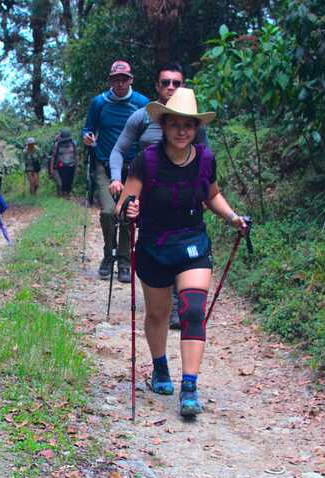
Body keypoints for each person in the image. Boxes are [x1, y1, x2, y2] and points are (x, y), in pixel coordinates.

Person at [115, 88, 248, 417]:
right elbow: (124, 204)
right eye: (175, 125)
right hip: (153, 245)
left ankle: (190, 386)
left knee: (191, 311)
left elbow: (212, 195)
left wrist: (233, 217)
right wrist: (128, 210)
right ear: (164, 125)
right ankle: (161, 368)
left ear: (196, 128)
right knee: (158, 314)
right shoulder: (145, 161)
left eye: (188, 126)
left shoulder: (205, 159)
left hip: (192, 242)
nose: (182, 131)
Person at [109, 62, 210, 329]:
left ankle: (178, 302)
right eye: (165, 82)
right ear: (156, 86)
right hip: (146, 190)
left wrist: (202, 192)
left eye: (176, 83)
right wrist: (117, 179)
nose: (170, 88)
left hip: (182, 194)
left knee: (182, 240)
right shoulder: (140, 118)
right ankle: (159, 293)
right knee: (154, 241)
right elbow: (119, 150)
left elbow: (204, 160)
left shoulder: (194, 125)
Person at [83, 60, 150, 283]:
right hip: (104, 163)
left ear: (131, 80)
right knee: (109, 212)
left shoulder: (142, 103)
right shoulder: (99, 103)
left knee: (127, 214)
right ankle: (108, 253)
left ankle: (124, 261)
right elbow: (88, 127)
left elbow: (150, 131)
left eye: (124, 79)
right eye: (116, 79)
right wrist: (87, 137)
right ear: (110, 81)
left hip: (133, 167)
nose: (120, 83)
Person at [49, 129, 77, 197]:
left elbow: (76, 155)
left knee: (69, 182)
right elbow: (53, 157)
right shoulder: (57, 145)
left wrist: (77, 166)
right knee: (61, 183)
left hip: (71, 166)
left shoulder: (73, 143)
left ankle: (67, 196)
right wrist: (51, 169)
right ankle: (62, 196)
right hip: (61, 166)